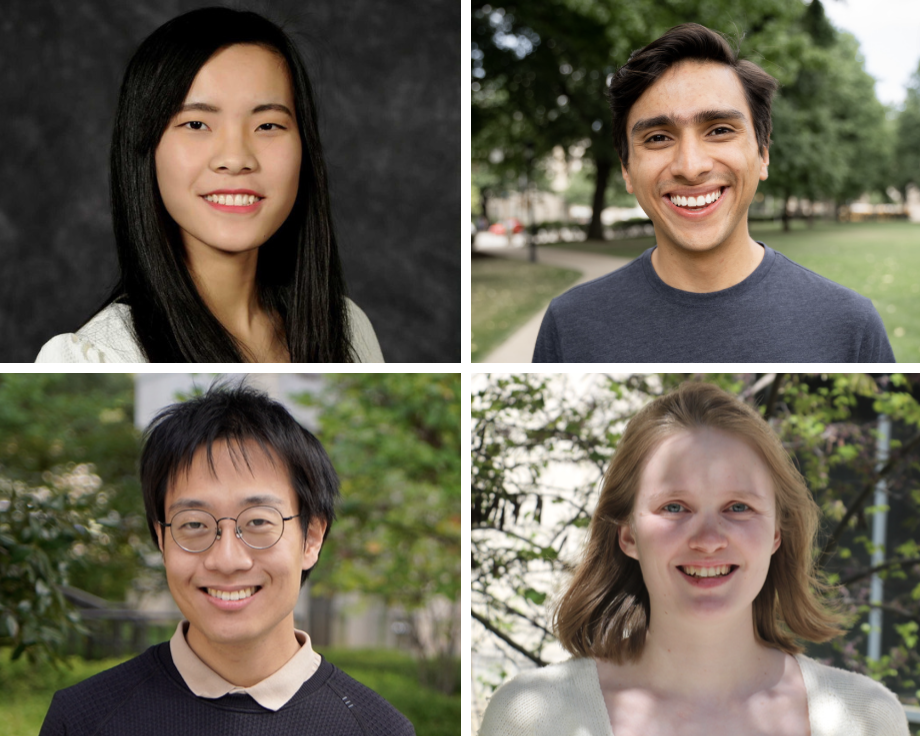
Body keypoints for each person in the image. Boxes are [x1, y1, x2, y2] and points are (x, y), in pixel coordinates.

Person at [479, 382, 909, 736]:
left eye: (738, 507)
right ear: (627, 536)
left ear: (777, 533)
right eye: (674, 507)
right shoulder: (530, 719)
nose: (707, 540)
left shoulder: (866, 719)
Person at [40, 384, 414, 735]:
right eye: (194, 524)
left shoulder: (377, 728)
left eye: (257, 522)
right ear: (161, 537)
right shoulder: (83, 720)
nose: (227, 559)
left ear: (311, 537)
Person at [35, 7, 383, 363]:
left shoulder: (348, 328)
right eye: (197, 124)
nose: (235, 159)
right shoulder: (99, 357)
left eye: (267, 126)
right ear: (145, 147)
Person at [532, 23, 895, 362]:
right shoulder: (569, 326)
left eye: (719, 130)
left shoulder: (850, 326)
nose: (690, 167)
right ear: (627, 169)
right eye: (658, 137)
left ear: (763, 153)